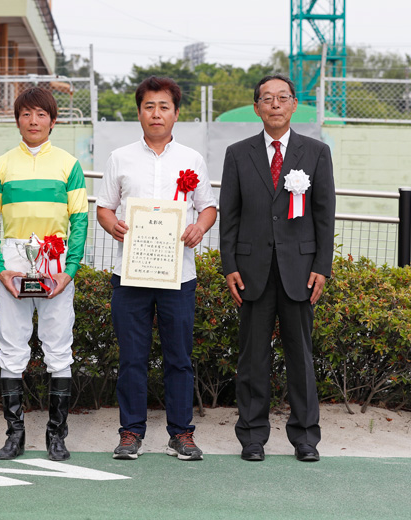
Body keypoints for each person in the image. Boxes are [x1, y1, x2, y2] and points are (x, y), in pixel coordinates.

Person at [97, 76, 217, 461]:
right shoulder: (120, 158)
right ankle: (131, 432)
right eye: (149, 106)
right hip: (130, 273)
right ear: (139, 112)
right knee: (132, 358)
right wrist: (111, 225)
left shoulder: (192, 159)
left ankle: (181, 433)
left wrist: (200, 227)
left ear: (176, 113)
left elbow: (208, 207)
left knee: (178, 358)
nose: (156, 113)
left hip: (178, 275)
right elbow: (104, 207)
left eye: (164, 106)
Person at [219, 74, 336, 463]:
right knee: (253, 357)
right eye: (267, 99)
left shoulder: (316, 153)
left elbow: (325, 215)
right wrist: (230, 265)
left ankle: (305, 438)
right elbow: (230, 215)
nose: (275, 105)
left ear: (294, 105)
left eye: (282, 98)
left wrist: (322, 266)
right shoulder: (238, 154)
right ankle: (252, 437)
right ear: (256, 107)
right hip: (251, 271)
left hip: (300, 271)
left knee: (300, 357)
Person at [0, 87, 88, 462]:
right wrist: (0, 268)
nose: (33, 121)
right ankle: (15, 435)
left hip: (55, 258)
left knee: (59, 347)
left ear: (53, 121)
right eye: (26, 114)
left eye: (41, 114)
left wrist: (69, 270)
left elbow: (80, 220)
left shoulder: (69, 165)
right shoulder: (1, 166)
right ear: (17, 120)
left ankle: (56, 436)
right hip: (14, 257)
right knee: (12, 347)